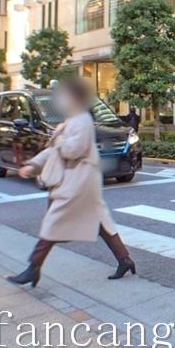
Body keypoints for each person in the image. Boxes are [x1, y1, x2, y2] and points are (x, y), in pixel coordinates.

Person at [8, 77, 136, 288]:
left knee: (53, 223)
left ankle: (33, 268)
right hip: (78, 181)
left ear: (75, 98)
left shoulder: (82, 120)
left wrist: (58, 138)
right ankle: (125, 260)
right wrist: (33, 165)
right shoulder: (72, 119)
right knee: (100, 222)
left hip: (78, 182)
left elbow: (72, 150)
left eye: (64, 96)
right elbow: (53, 151)